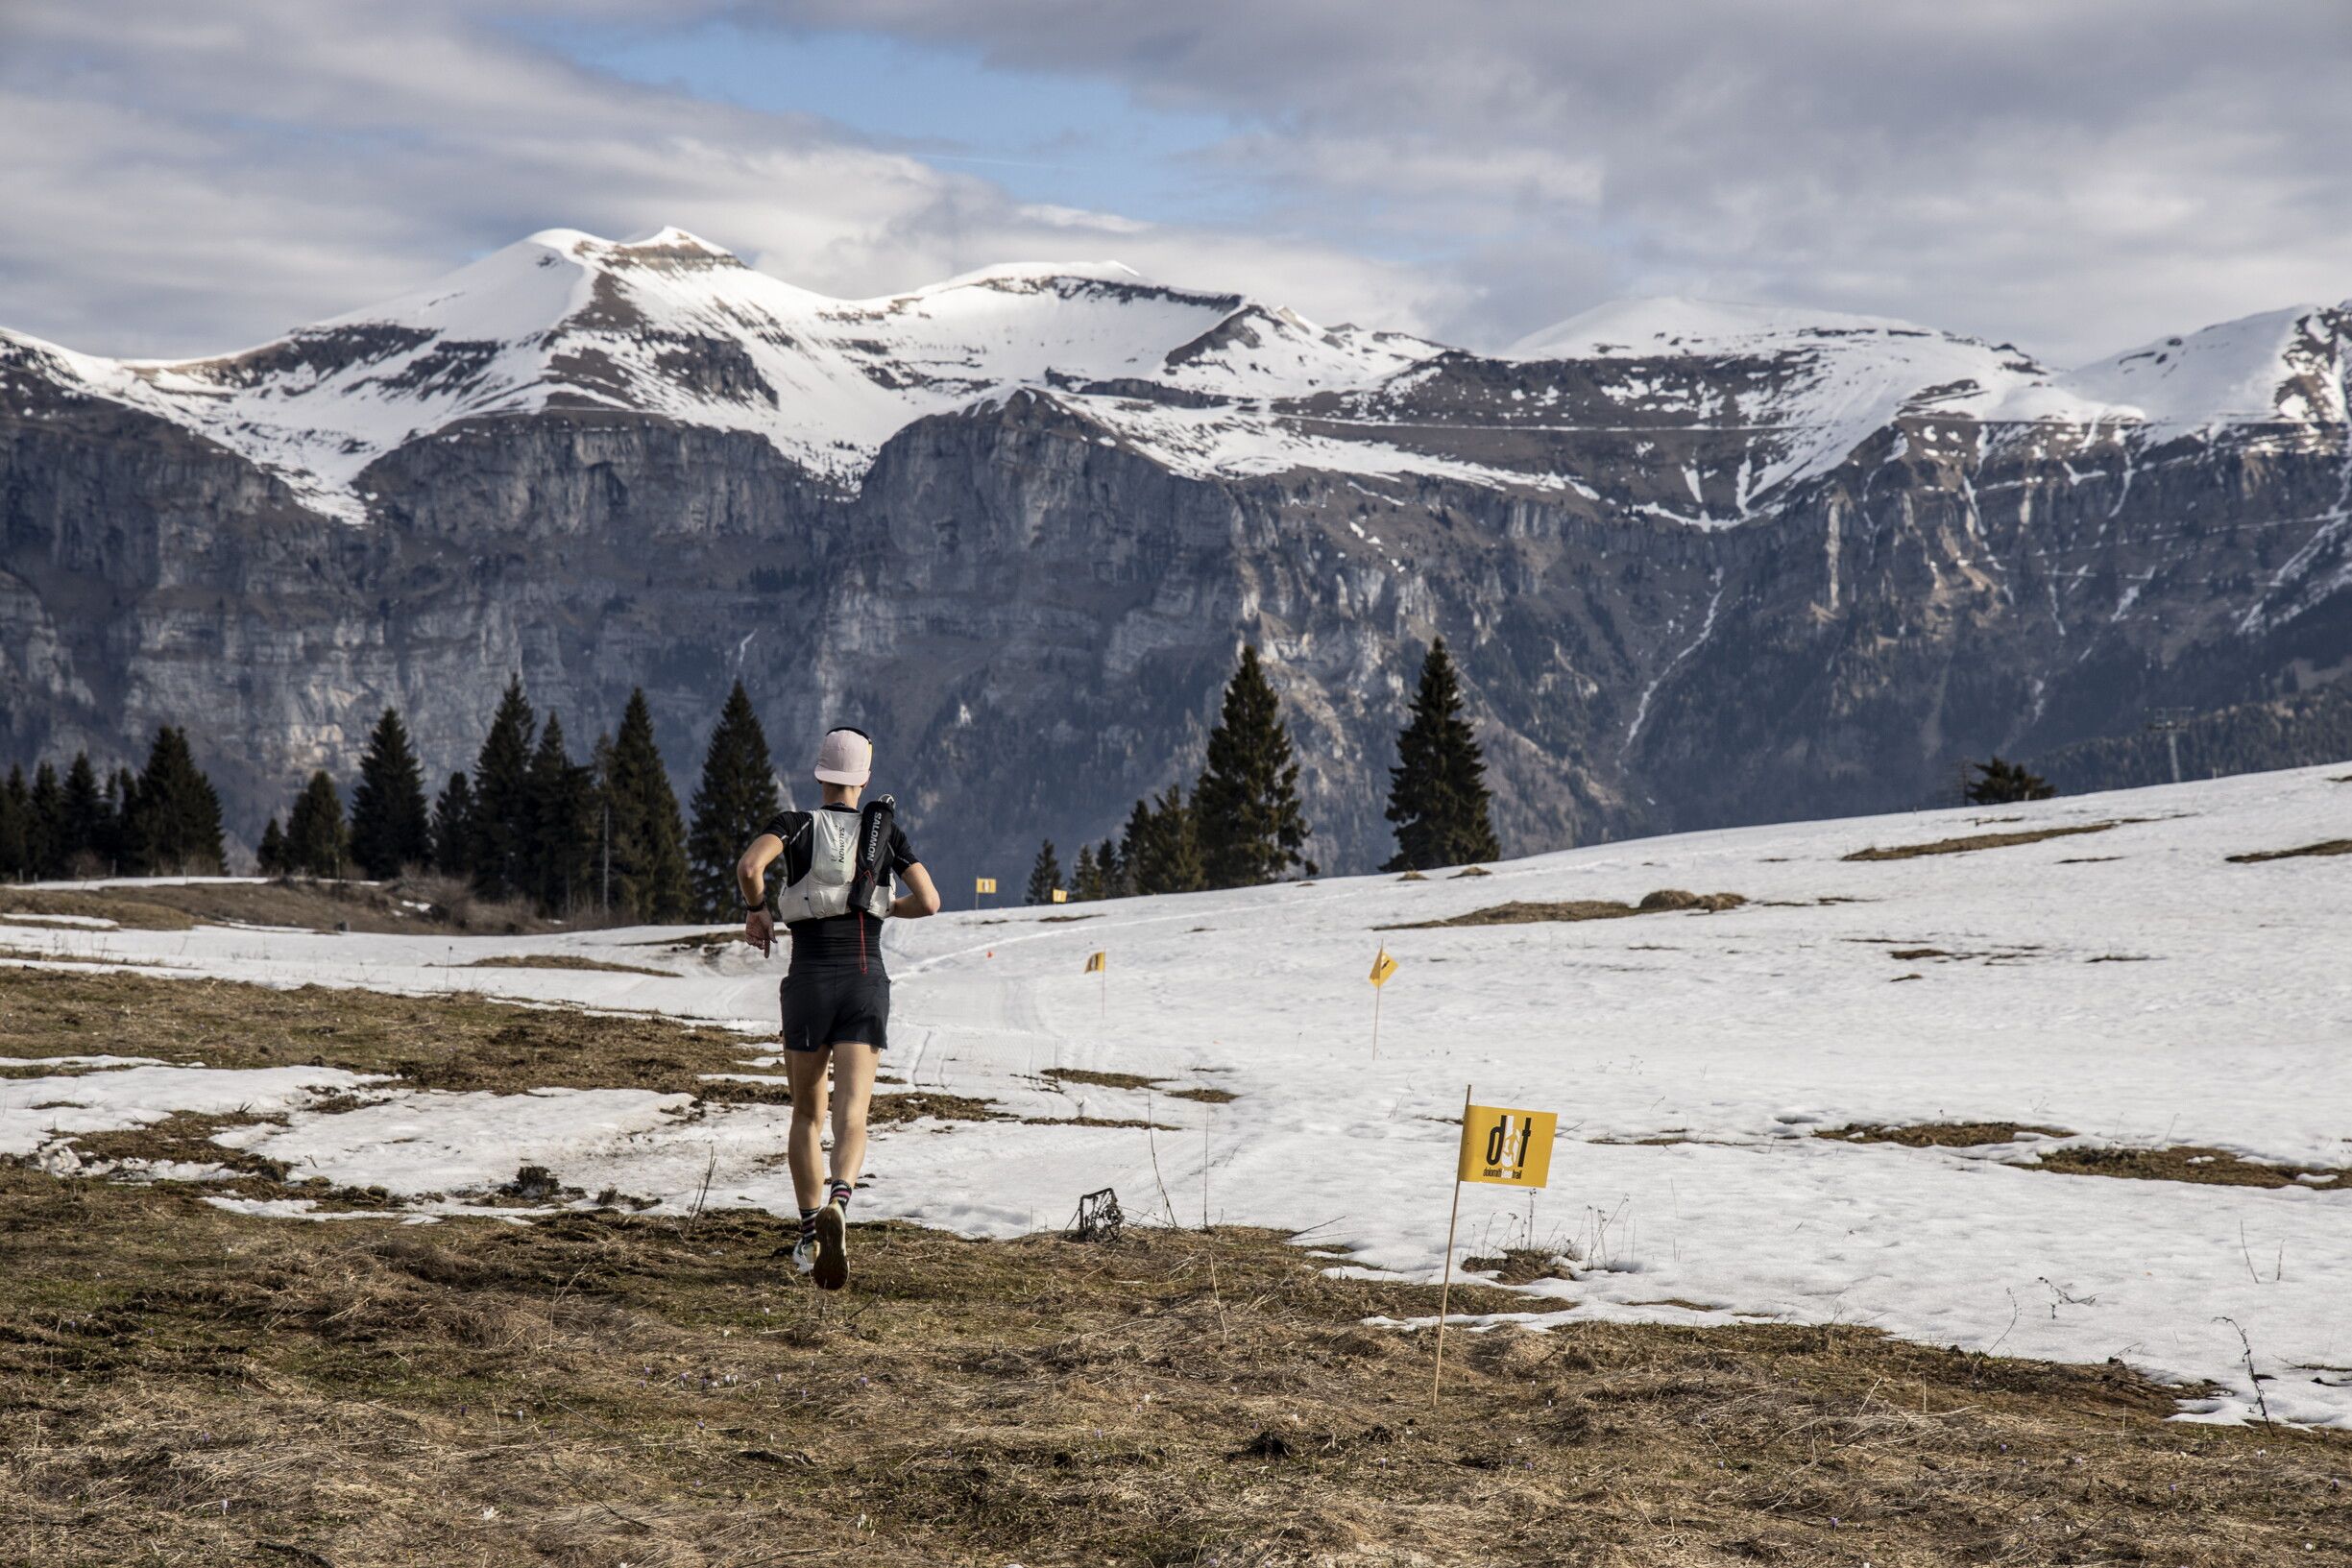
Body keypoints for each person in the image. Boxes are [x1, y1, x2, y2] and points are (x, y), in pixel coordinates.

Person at [737, 726, 941, 1290]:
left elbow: (751, 867)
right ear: (865, 780)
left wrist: (758, 911)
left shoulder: (795, 824)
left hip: (808, 979)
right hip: (864, 976)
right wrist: (882, 907)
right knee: (853, 1114)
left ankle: (808, 1234)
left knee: (807, 1115)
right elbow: (930, 901)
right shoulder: (886, 834)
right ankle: (841, 1205)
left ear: (820, 774)